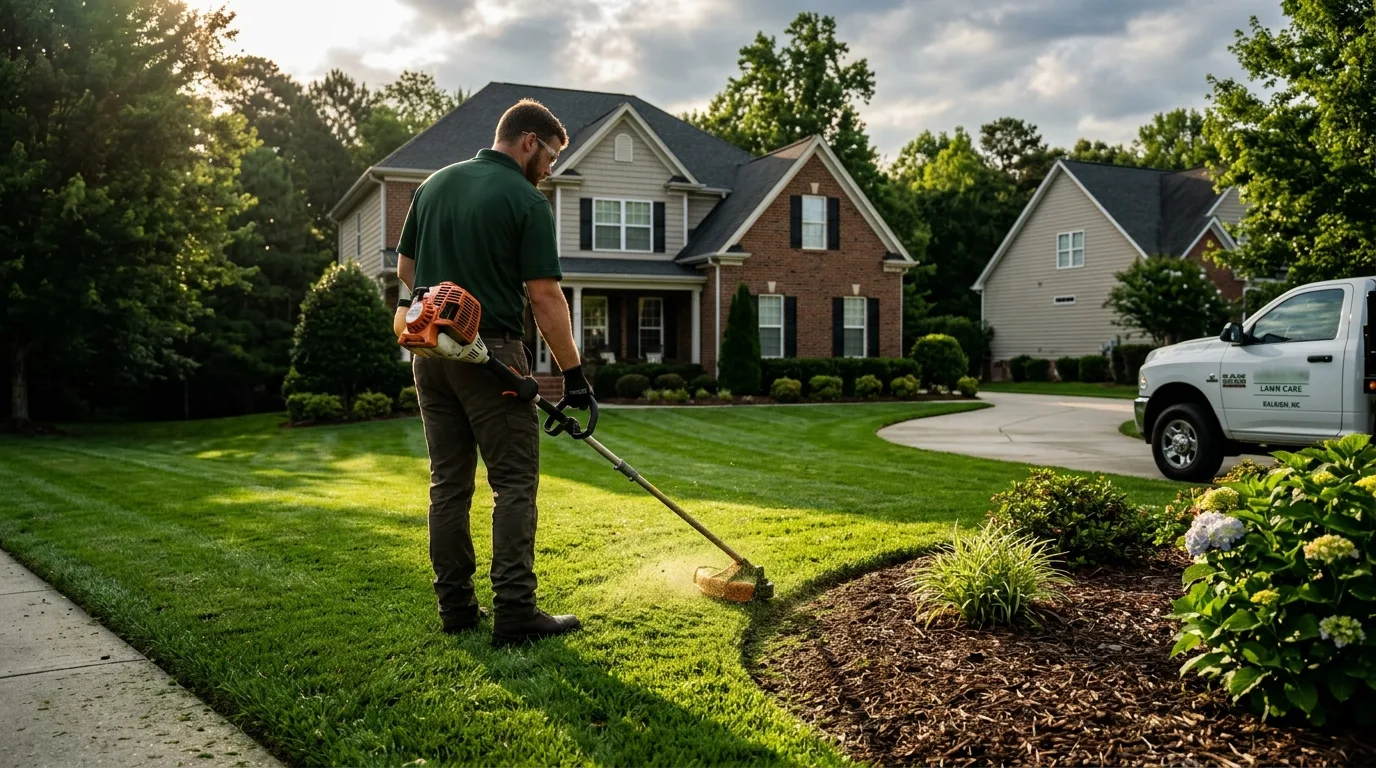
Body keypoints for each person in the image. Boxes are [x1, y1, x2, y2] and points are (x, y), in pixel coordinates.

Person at [393, 98, 593, 646]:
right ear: (529, 142)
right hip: (494, 354)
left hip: (431, 355)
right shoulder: (524, 200)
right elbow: (546, 296)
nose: (550, 169)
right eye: (551, 156)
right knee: (513, 484)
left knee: (448, 486)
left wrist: (423, 309)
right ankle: (515, 612)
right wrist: (574, 377)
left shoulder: (433, 186)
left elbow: (406, 269)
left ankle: (456, 609)